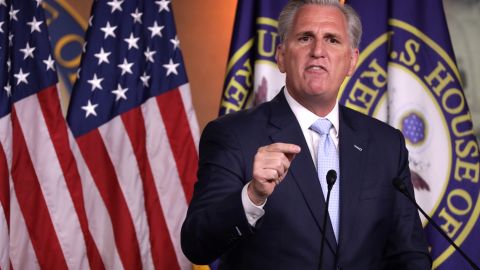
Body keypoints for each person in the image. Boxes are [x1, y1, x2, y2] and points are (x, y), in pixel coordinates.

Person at [181, 0, 432, 269]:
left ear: (352, 61)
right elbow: (197, 244)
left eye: (332, 40)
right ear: (280, 56)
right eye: (304, 38)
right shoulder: (232, 135)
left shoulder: (386, 144)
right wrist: (253, 196)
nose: (318, 51)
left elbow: (410, 255)